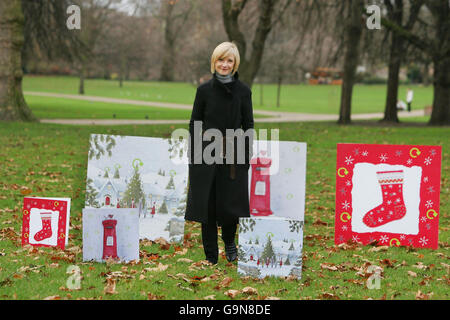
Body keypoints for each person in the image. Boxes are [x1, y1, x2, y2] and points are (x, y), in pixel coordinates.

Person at [185, 42, 254, 265]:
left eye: (229, 60)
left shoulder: (243, 92)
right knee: (208, 207)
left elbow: (248, 125)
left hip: (233, 154)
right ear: (214, 62)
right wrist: (195, 153)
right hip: (206, 154)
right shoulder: (204, 90)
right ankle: (211, 256)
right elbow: (195, 122)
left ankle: (230, 242)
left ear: (235, 64)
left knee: (230, 205)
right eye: (220, 60)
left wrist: (245, 154)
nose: (224, 64)